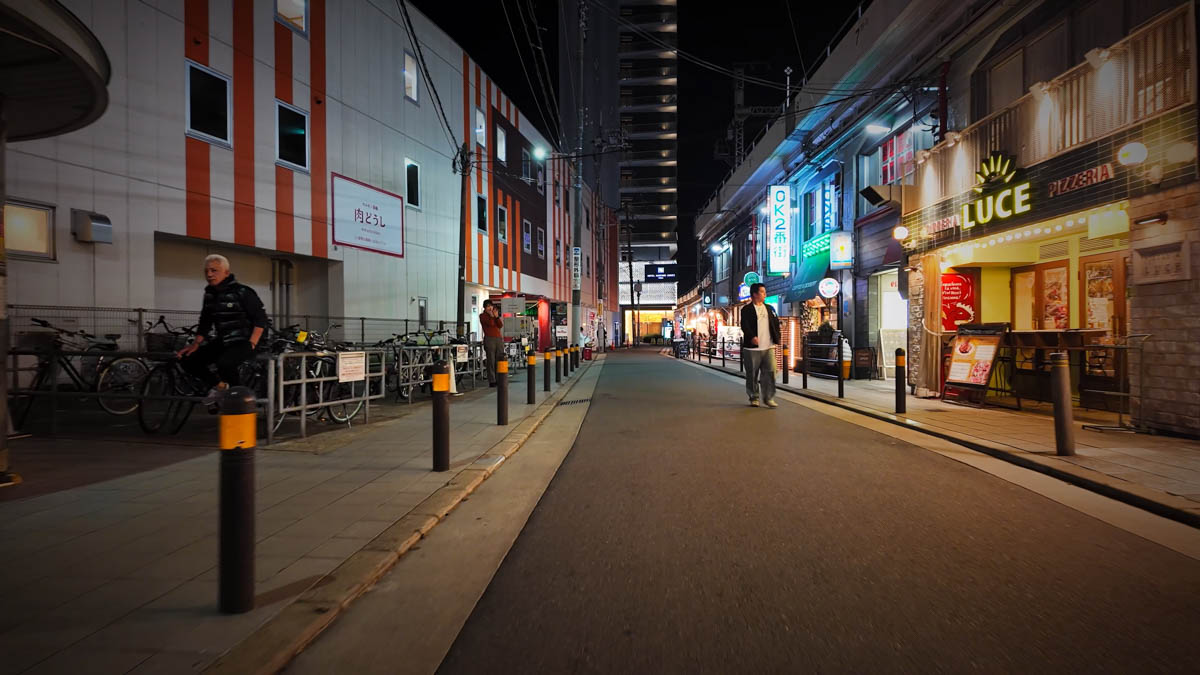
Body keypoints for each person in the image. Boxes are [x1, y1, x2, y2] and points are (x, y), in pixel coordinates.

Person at [177, 254, 269, 406]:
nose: (209, 274)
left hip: (244, 340)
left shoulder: (243, 292)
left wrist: (252, 343)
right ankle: (221, 387)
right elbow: (205, 321)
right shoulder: (209, 294)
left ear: (226, 272)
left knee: (225, 364)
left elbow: (260, 318)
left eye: (214, 270)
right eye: (206, 271)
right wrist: (196, 344)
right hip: (224, 340)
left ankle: (241, 400)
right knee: (188, 360)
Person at [740, 283, 781, 408]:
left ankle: (769, 398)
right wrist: (752, 337)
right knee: (752, 374)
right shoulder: (746, 309)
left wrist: (777, 339)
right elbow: (744, 325)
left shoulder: (769, 308)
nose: (765, 294)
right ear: (755, 294)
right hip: (752, 348)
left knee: (771, 371)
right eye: (762, 292)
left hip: (768, 346)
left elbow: (776, 324)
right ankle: (754, 397)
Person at [480, 299, 503, 387]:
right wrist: (492, 316)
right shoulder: (482, 316)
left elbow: (500, 325)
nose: (490, 308)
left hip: (498, 339)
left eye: (491, 306)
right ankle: (492, 380)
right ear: (485, 308)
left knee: (499, 359)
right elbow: (491, 324)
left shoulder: (494, 315)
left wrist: (496, 316)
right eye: (488, 306)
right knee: (491, 360)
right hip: (489, 339)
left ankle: (499, 378)